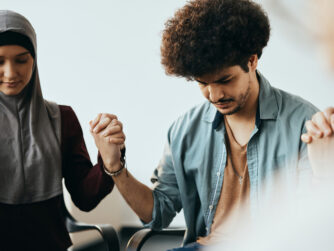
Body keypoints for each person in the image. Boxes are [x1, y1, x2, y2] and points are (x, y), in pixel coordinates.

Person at [90, 0, 319, 250]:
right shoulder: (185, 130)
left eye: (225, 80)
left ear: (252, 61)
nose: (214, 95)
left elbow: (314, 223)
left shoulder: (304, 125)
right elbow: (157, 214)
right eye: (202, 83)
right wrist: (115, 166)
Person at [0, 10, 124, 251]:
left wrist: (109, 160)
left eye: (21, 60)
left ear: (34, 59)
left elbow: (84, 198)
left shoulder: (62, 118)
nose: (10, 73)